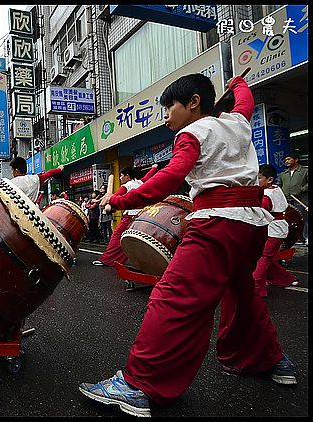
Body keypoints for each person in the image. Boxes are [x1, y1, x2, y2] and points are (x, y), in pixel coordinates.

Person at [79, 73, 296, 417]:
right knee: (243, 295)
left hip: (216, 224)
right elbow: (246, 102)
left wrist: (122, 200)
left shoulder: (192, 133)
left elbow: (171, 177)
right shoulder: (238, 123)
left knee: (174, 298)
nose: (165, 116)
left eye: (169, 107)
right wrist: (238, 81)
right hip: (252, 226)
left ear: (194, 102)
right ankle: (271, 361)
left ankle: (137, 386)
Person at [92, 165, 158, 266]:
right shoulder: (140, 182)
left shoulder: (126, 186)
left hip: (130, 217)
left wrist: (105, 200)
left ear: (127, 176)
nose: (120, 178)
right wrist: (154, 168)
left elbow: (115, 197)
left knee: (117, 237)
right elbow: (148, 176)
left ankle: (108, 260)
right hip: (143, 216)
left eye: (122, 175)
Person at [252, 164, 298, 297]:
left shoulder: (266, 195)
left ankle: (256, 289)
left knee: (263, 258)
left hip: (273, 230)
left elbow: (261, 210)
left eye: (259, 178)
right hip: (278, 227)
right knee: (266, 257)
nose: (257, 181)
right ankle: (285, 279)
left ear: (269, 179)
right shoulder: (276, 189)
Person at [278, 152, 308, 246]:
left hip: (301, 198)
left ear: (296, 160)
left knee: (303, 218)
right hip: (287, 199)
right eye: (285, 160)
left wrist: (302, 189)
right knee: (289, 219)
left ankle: (306, 237)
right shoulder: (283, 174)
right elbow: (280, 185)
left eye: (289, 159)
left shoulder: (304, 171)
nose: (286, 161)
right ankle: (295, 238)